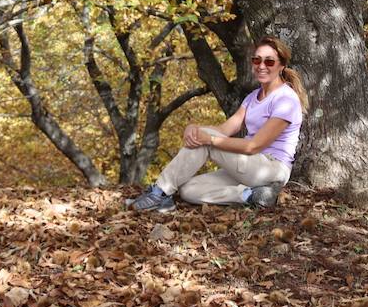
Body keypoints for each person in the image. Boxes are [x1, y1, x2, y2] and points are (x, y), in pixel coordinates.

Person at [127, 36, 308, 212]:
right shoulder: (253, 97)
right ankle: (251, 195)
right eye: (256, 60)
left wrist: (209, 139)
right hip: (249, 167)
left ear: (281, 65)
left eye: (269, 62)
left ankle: (159, 193)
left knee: (207, 139)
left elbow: (254, 146)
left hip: (271, 168)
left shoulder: (286, 99)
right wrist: (194, 129)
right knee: (188, 190)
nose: (261, 66)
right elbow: (224, 129)